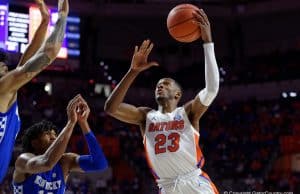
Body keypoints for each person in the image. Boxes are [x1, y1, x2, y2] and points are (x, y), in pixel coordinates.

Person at [105, 9, 219, 194]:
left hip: (195, 184)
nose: (160, 86)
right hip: (166, 188)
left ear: (177, 95)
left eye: (166, 84)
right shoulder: (145, 116)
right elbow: (111, 108)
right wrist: (132, 71)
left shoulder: (187, 112)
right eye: (158, 84)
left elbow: (212, 89)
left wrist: (207, 42)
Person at [0, 0, 68, 182]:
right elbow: (51, 51)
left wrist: (45, 21)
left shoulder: (7, 91)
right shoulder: (3, 88)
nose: (6, 68)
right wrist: (61, 17)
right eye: (2, 66)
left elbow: (25, 62)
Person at [13, 95, 108, 194]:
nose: (54, 137)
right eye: (47, 134)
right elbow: (47, 163)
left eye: (55, 134)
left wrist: (83, 123)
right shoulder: (23, 160)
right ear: (35, 143)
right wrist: (71, 123)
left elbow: (99, 164)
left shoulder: (65, 162)